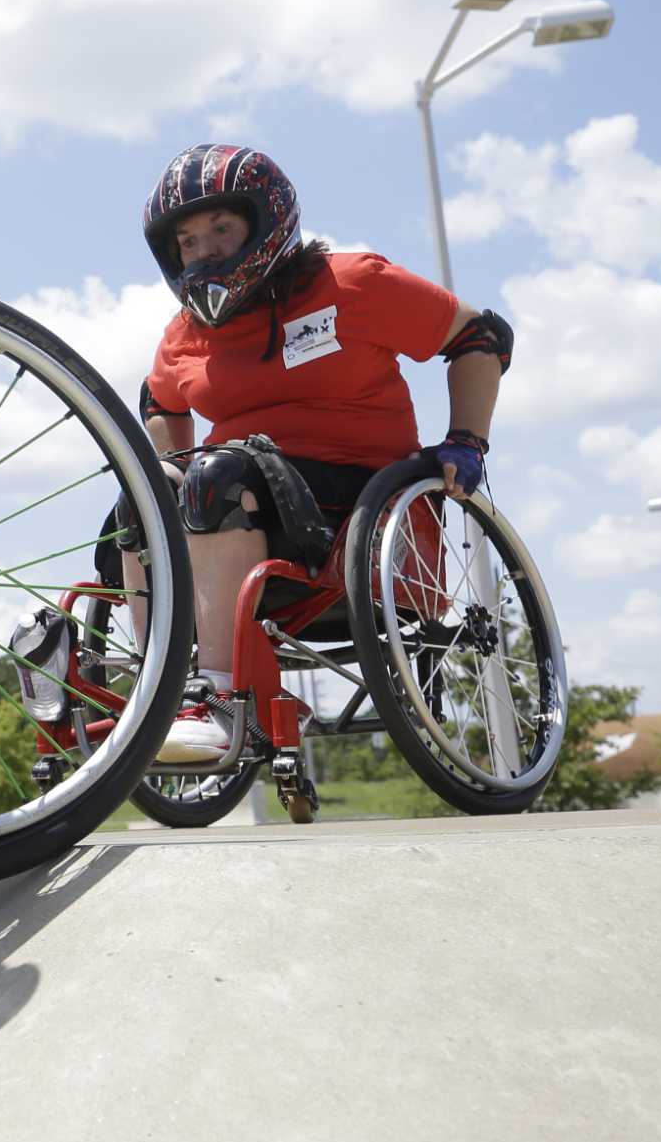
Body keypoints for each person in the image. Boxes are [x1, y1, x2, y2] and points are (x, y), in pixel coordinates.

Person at [120, 143, 512, 761]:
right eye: (189, 242)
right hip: (240, 504)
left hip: (360, 504)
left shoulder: (351, 283)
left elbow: (479, 335)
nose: (205, 250)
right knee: (141, 495)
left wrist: (468, 438)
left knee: (217, 475)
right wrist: (172, 465)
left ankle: (223, 701)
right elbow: (160, 400)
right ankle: (159, 691)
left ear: (265, 220)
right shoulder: (185, 333)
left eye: (222, 228)